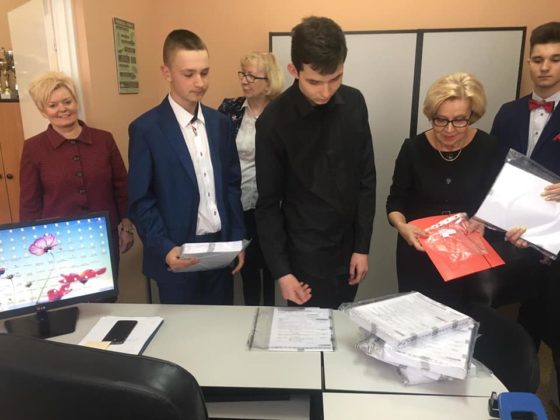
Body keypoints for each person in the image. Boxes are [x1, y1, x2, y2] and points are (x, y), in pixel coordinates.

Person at [255, 16, 376, 309]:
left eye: (335, 79)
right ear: (293, 70)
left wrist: (362, 247)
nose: (326, 92)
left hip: (348, 249)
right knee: (307, 332)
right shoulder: (273, 121)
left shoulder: (354, 103)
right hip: (302, 256)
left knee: (344, 325)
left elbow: (366, 179)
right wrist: (282, 272)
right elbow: (268, 204)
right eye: (314, 82)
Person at [127, 29, 245, 305]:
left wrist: (237, 238)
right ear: (166, 72)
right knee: (180, 330)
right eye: (189, 74)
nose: (199, 82)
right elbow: (140, 201)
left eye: (205, 72)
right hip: (176, 253)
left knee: (221, 324)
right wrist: (164, 248)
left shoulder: (221, 124)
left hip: (219, 250)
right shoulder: (146, 130)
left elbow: (231, 185)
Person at [386, 72, 502, 310]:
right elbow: (395, 201)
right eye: (440, 120)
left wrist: (483, 219)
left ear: (472, 116)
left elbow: (498, 200)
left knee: (468, 318)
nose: (449, 129)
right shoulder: (413, 149)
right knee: (417, 318)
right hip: (419, 252)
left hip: (469, 257)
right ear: (431, 116)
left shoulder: (488, 147)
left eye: (459, 120)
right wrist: (402, 226)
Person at [491, 21, 560, 401]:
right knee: (517, 333)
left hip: (557, 246)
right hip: (512, 239)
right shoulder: (508, 113)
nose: (544, 67)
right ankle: (516, 402)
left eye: (555, 59)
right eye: (537, 59)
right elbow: (492, 170)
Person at [19, 71, 133, 273]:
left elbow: (122, 187)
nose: (63, 109)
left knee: (106, 288)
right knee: (66, 289)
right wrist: (29, 243)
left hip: (104, 235)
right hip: (57, 242)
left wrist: (127, 226)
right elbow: (29, 202)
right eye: (53, 105)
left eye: (67, 101)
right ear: (43, 111)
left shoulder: (104, 140)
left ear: (76, 102)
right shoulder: (33, 148)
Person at [218, 52, 284, 306]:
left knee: (273, 266)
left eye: (251, 76)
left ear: (269, 81)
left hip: (274, 206)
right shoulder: (230, 110)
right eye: (242, 74)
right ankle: (251, 317)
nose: (244, 80)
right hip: (240, 204)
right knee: (247, 269)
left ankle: (270, 317)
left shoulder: (282, 113)